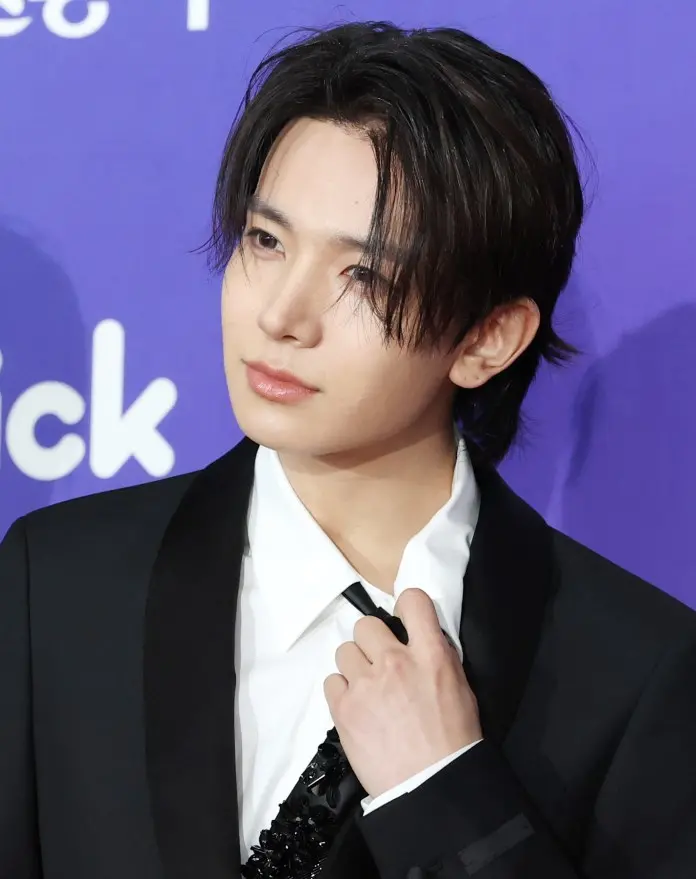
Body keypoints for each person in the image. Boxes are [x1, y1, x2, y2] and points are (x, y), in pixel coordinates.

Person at [1, 20, 694, 879]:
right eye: (266, 242)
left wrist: (444, 791)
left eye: (363, 276)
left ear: (488, 337)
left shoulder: (636, 670)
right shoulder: (60, 585)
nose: (281, 315)